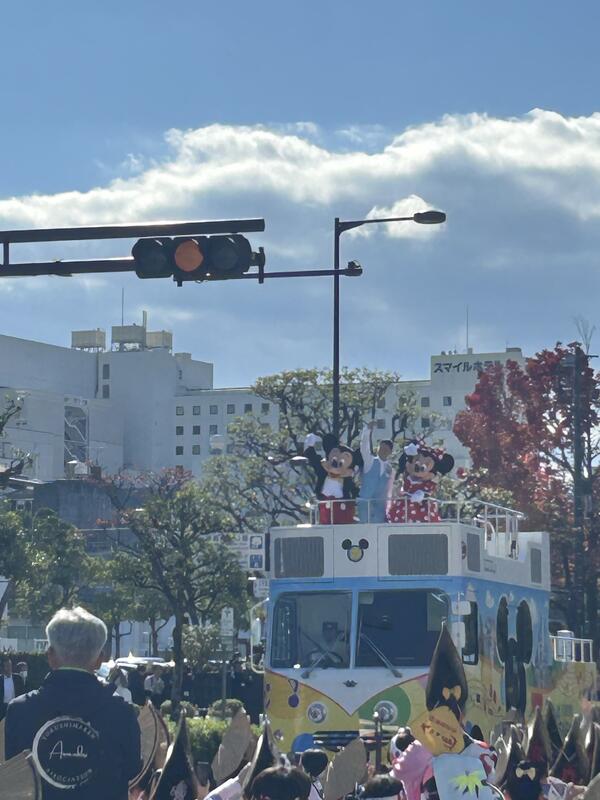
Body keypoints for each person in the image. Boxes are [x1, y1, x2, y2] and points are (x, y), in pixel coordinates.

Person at [5, 606, 141, 799]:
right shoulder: (121, 712)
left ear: (50, 656)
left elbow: (14, 778)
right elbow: (133, 770)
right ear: (100, 660)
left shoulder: (20, 711)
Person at [358, 422, 393, 523]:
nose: (382, 450)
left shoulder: (389, 468)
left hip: (380, 505)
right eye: (381, 447)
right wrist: (367, 430)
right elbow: (364, 447)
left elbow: (389, 488)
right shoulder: (370, 460)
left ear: (390, 452)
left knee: (378, 530)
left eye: (386, 449)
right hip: (365, 502)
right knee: (364, 528)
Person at [0, 655, 26, 721]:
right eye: (7, 666)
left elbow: (23, 693)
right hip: (2, 708)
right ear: (3, 667)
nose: (9, 668)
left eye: (10, 665)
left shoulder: (18, 678)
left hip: (14, 706)